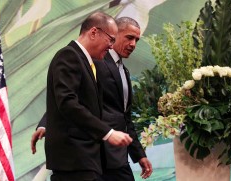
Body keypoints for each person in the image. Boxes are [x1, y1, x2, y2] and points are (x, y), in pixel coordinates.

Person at [33, 16, 153, 180]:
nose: (133, 44)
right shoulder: (91, 59)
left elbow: (124, 117)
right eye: (129, 37)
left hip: (110, 155)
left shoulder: (123, 71)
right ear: (96, 32)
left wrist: (139, 154)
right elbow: (69, 100)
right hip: (89, 153)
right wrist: (45, 124)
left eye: (137, 40)